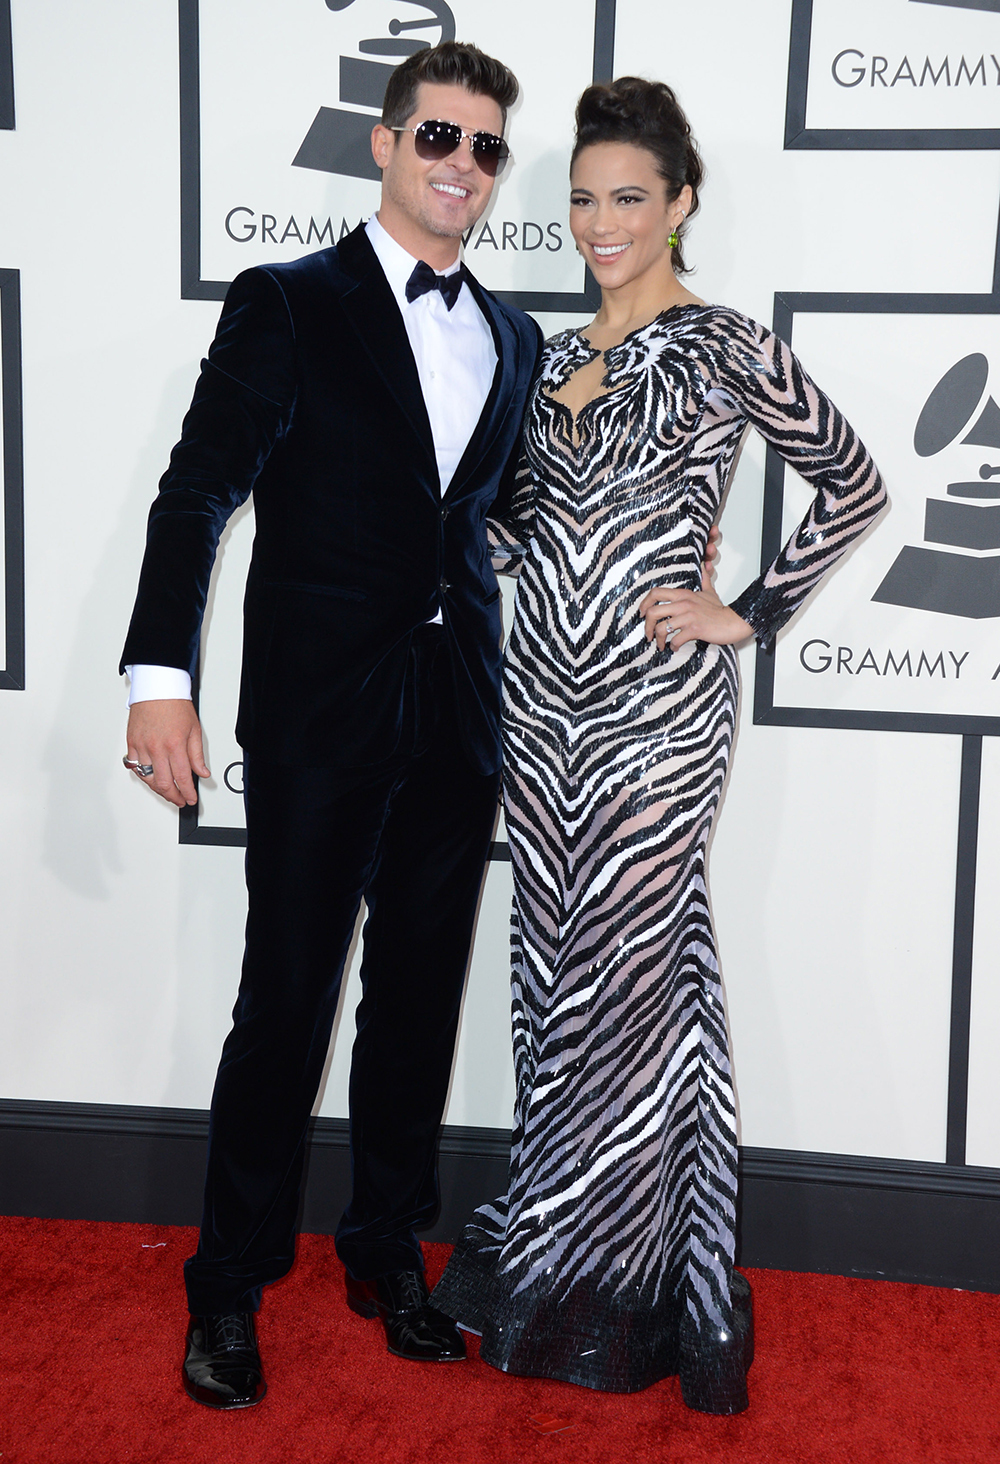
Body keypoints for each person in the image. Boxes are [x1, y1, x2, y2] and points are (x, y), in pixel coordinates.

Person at [432, 77, 887, 1415]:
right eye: (582, 198)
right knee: (555, 982)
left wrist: (746, 613)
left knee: (628, 988)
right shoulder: (542, 353)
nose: (600, 220)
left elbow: (854, 484)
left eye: (628, 197)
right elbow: (516, 532)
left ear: (682, 204)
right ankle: (572, 1264)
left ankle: (616, 1296)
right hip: (540, 710)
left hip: (656, 716)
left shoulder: (725, 343)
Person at [120, 41, 542, 1409]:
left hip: (458, 712)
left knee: (416, 1002)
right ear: (384, 142)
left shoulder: (516, 336)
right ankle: (228, 1289)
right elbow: (197, 498)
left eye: (485, 148)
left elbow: (499, 517)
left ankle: (384, 1254)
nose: (461, 168)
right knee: (286, 1004)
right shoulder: (289, 302)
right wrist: (158, 681)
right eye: (438, 139)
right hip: (315, 715)